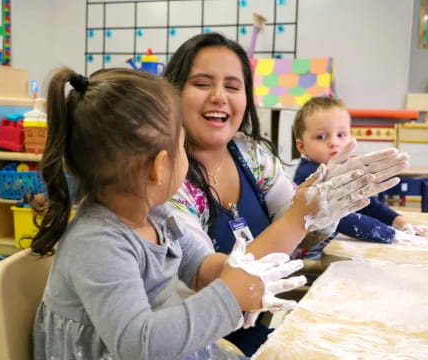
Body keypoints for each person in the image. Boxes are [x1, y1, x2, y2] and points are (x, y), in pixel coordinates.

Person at [31, 67, 312, 360]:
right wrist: (229, 297)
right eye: (183, 146)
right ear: (159, 166)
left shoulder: (156, 214)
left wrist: (240, 273)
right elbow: (139, 344)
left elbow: (199, 266)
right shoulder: (97, 244)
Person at [163, 32, 409, 355]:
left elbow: (300, 240)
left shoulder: (251, 156)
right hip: (199, 342)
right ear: (173, 93)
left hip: (260, 329)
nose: (220, 96)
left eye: (233, 87)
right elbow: (208, 277)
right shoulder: (163, 179)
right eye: (203, 83)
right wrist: (300, 216)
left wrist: (321, 214)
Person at [293, 96, 428, 257]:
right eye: (321, 137)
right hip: (312, 257)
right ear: (302, 146)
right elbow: (343, 218)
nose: (333, 142)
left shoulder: (344, 169)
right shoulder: (309, 177)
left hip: (333, 247)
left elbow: (367, 203)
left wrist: (399, 221)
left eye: (341, 134)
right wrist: (391, 235)